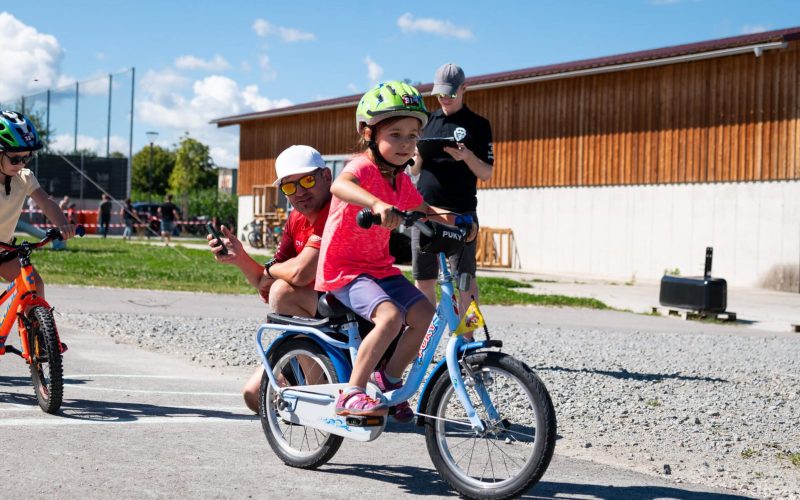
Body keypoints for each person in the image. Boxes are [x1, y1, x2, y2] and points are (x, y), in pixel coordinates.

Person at [316, 81, 476, 420]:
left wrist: (460, 221)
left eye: (413, 136)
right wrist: (375, 203)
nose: (406, 144)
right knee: (389, 318)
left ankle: (386, 382)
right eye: (396, 135)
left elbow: (423, 210)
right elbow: (338, 185)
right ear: (369, 134)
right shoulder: (362, 167)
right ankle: (352, 393)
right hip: (345, 270)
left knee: (423, 315)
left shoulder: (401, 180)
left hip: (379, 267)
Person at [208, 145, 333, 413]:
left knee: (283, 293)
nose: (299, 192)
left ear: (327, 177)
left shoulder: (333, 212)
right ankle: (313, 384)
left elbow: (300, 273)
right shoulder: (296, 219)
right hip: (316, 317)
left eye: (307, 181)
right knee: (255, 396)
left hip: (348, 315)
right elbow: (264, 282)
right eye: (289, 187)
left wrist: (272, 271)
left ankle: (320, 395)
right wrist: (240, 257)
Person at [411, 63, 494, 323]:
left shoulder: (479, 125)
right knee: (424, 280)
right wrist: (418, 154)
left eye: (450, 93)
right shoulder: (427, 122)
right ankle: (422, 344)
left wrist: (467, 155)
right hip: (425, 213)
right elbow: (414, 172)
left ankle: (468, 345)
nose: (445, 98)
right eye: (440, 94)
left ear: (464, 89)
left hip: (461, 214)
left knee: (465, 281)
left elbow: (486, 173)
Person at [0, 110, 76, 298]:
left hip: (4, 250)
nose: (21, 164)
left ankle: (36, 326)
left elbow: (46, 202)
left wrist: (62, 224)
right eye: (15, 158)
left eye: (27, 158)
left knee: (34, 286)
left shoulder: (24, 178)